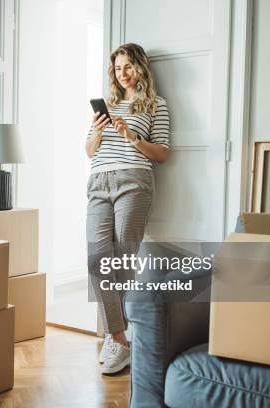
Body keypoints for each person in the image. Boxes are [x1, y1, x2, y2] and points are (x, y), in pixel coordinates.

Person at [85, 43, 170, 375]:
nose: (123, 73)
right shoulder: (106, 106)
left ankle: (122, 338)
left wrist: (132, 136)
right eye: (118, 68)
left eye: (129, 67)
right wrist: (99, 131)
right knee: (96, 258)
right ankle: (119, 338)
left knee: (122, 259)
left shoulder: (155, 105)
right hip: (97, 183)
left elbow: (162, 153)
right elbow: (90, 151)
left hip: (134, 180)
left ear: (140, 68)